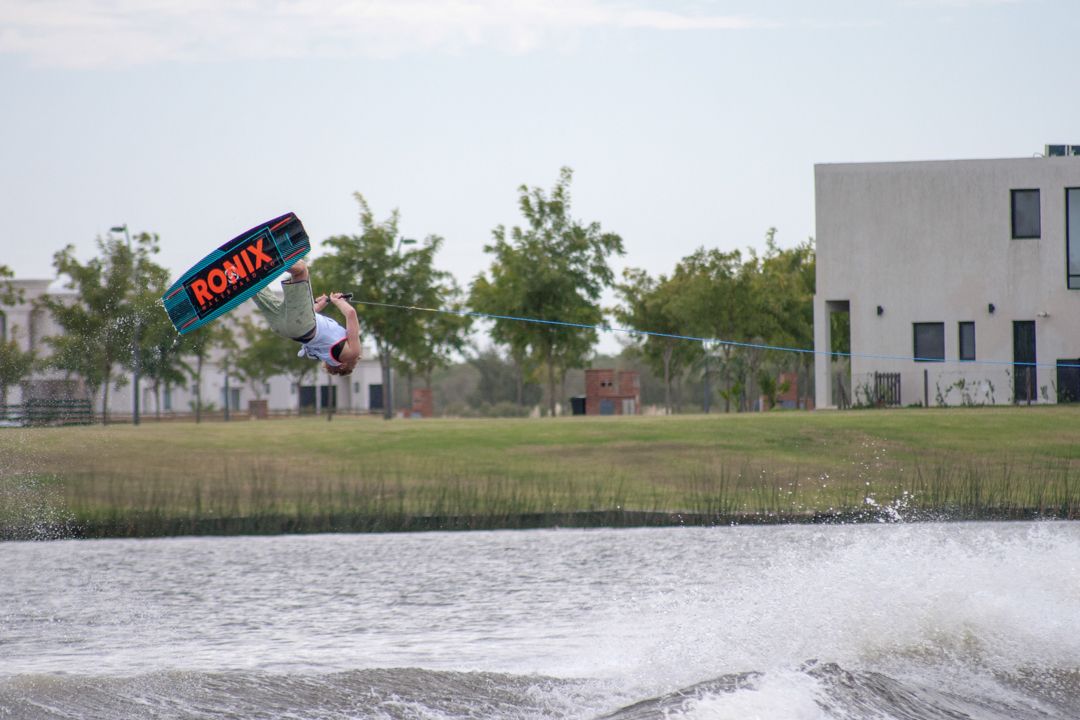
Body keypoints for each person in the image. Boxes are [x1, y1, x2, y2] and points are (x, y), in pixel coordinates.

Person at [251, 260, 361, 375]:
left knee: (301, 270)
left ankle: (270, 260)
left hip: (302, 327)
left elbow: (351, 313)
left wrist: (338, 301)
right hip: (285, 328)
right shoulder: (325, 354)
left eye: (353, 364)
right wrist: (319, 305)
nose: (356, 359)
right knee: (257, 288)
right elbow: (299, 320)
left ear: (343, 366)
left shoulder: (353, 353)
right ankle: (243, 276)